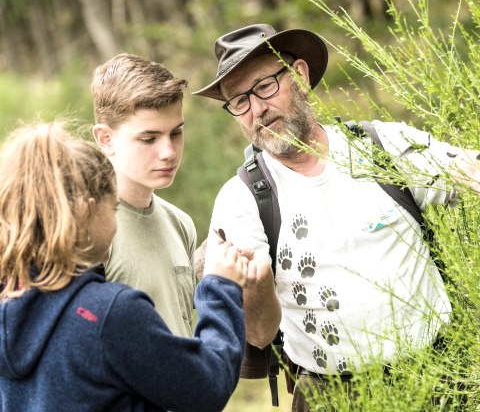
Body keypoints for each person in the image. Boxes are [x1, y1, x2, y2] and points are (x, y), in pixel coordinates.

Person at [191, 24, 480, 411]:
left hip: (438, 378)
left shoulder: (384, 148)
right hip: (332, 396)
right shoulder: (241, 199)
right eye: (239, 101)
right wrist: (256, 285)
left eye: (263, 87)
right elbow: (259, 335)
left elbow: (466, 171)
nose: (256, 109)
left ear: (300, 76)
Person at [0, 122, 250, 412]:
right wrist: (220, 286)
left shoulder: (8, 301)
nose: (116, 223)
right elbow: (207, 388)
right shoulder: (110, 313)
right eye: (113, 209)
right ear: (86, 210)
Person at [91, 53, 196, 337]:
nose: (169, 152)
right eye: (149, 138)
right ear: (106, 139)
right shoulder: (85, 230)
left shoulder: (181, 224)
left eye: (176, 133)